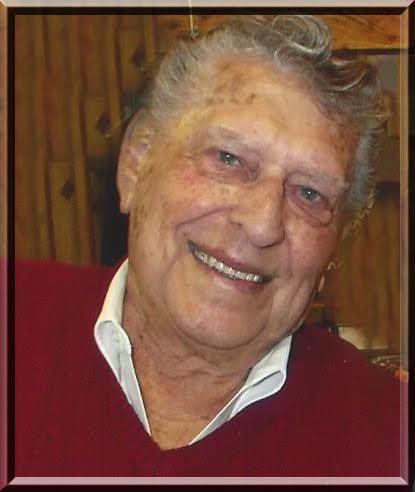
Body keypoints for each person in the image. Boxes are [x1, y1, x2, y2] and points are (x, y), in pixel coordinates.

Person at [15, 15, 403, 478]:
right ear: (136, 163)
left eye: (309, 193)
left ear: (334, 249)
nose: (262, 225)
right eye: (229, 159)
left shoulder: (389, 440)